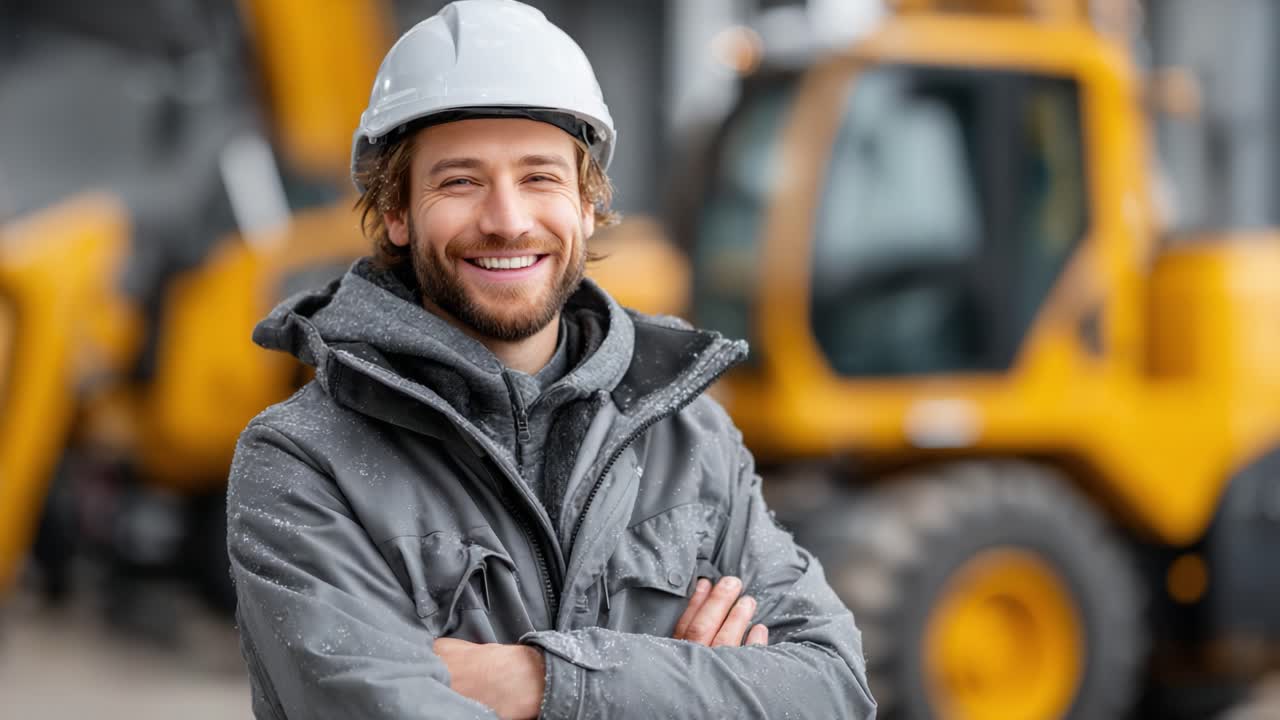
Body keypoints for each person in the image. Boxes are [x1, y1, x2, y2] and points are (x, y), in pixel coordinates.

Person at [226, 1, 875, 718]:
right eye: (461, 181)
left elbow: (832, 691)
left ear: (588, 204)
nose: (507, 219)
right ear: (396, 213)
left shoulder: (690, 441)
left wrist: (541, 681)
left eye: (539, 177)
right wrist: (685, 685)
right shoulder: (301, 463)